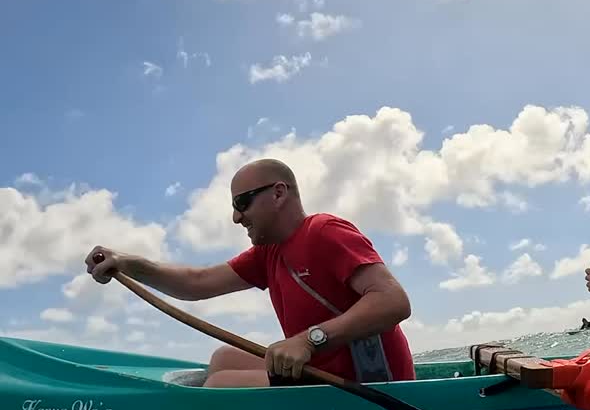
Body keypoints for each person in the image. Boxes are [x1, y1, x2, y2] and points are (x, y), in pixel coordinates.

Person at [85, 159, 415, 388]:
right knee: (222, 359)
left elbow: (393, 301)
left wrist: (308, 340)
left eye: (242, 202)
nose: (235, 217)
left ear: (279, 193)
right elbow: (196, 283)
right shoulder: (267, 253)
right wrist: (126, 263)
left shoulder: (325, 232)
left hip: (372, 385)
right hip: (322, 373)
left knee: (220, 384)